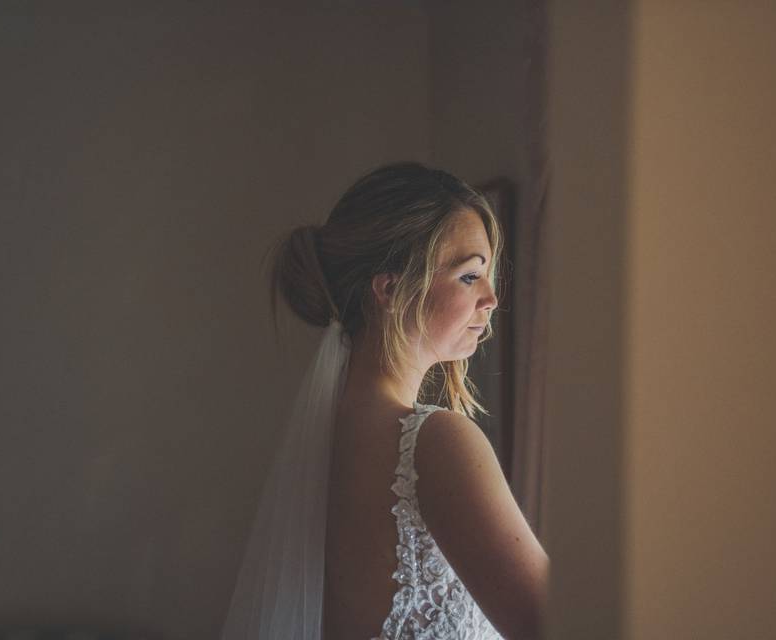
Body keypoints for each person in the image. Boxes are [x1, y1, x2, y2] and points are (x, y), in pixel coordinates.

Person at [222, 162, 549, 640]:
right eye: (468, 276)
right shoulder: (436, 444)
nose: (491, 298)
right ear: (392, 290)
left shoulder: (323, 439)